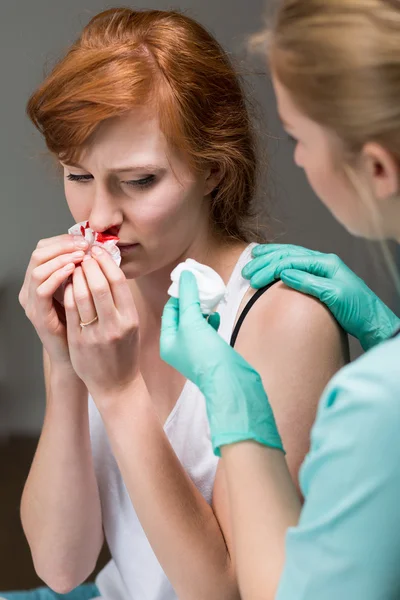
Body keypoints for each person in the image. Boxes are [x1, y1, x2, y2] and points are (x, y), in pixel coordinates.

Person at [3, 8, 347, 600]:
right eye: (78, 175)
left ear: (213, 170)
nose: (100, 219)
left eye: (139, 181)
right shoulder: (93, 305)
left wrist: (117, 392)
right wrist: (64, 365)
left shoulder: (283, 317)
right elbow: (61, 567)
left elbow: (234, 593)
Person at [160, 1, 400, 599]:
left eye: (298, 137)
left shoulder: (371, 397)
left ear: (376, 168)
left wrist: (234, 400)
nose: (292, 158)